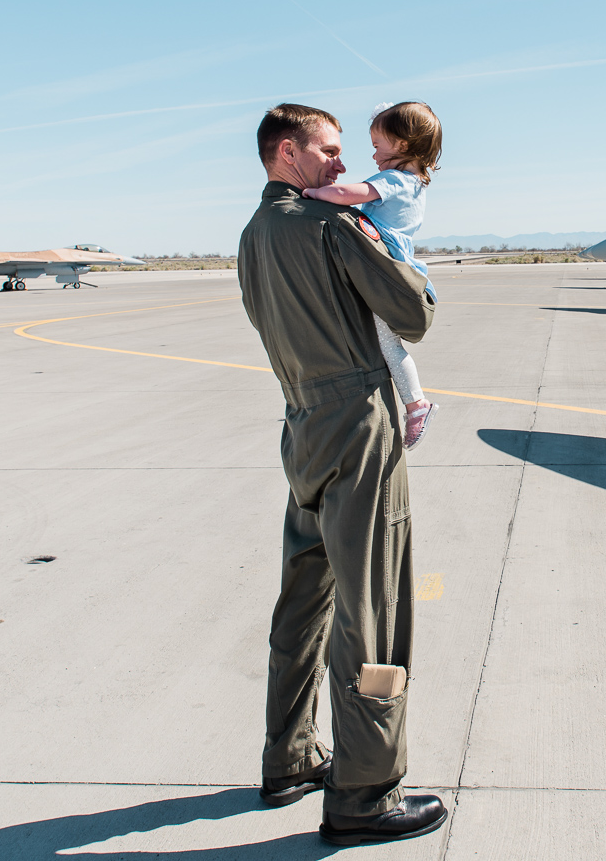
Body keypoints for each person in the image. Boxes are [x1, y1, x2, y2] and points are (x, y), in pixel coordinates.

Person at [237, 103, 446, 846]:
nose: (339, 163)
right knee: (376, 610)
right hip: (357, 425)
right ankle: (365, 787)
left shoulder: (254, 234)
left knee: (304, 598)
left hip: (300, 426)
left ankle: (288, 756)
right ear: (287, 151)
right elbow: (412, 312)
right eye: (326, 151)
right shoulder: (331, 225)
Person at [302, 101, 442, 449]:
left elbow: (348, 193)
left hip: (382, 267)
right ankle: (414, 404)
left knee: (386, 343)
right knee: (386, 342)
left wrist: (315, 194)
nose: (374, 155)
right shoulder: (413, 181)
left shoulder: (395, 179)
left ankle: (416, 405)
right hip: (390, 263)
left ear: (403, 145)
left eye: (378, 145)